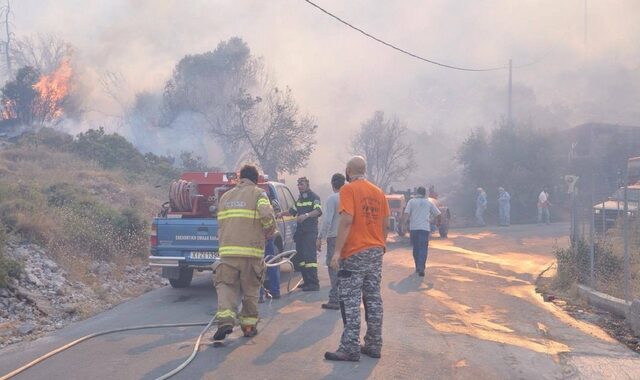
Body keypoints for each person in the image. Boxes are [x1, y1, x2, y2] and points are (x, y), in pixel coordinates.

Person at [324, 156, 390, 362]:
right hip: (375, 251)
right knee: (373, 298)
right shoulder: (378, 192)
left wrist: (336, 252)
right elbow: (385, 222)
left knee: (350, 300)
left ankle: (350, 346)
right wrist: (381, 244)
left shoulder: (348, 189)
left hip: (354, 252)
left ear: (348, 170)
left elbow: (346, 221)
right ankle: (373, 343)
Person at [213, 164, 276, 341]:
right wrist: (269, 230)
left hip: (227, 252)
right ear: (255, 179)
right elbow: (266, 216)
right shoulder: (258, 194)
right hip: (251, 252)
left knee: (226, 287)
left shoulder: (225, 197)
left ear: (240, 179)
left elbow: (220, 224)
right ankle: (248, 326)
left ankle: (225, 320)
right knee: (250, 291)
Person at [277, 177, 322, 291]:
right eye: (298, 185)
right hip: (300, 233)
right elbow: (292, 211)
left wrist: (306, 215)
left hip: (310, 232)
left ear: (307, 184)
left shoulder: (314, 197)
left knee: (309, 258)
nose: (299, 186)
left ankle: (313, 283)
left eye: (301, 184)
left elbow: (318, 211)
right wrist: (281, 213)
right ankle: (306, 281)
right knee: (300, 258)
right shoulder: (300, 200)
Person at [317, 173, 346, 310]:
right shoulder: (349, 197)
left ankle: (335, 299)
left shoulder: (332, 199)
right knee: (345, 268)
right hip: (349, 238)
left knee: (333, 267)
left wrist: (320, 237)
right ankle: (345, 297)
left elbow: (327, 220)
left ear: (332, 184)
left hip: (334, 237)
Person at [402, 186, 441, 277]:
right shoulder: (428, 202)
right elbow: (438, 214)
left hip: (414, 228)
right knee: (423, 248)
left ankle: (417, 267)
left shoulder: (411, 202)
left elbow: (406, 214)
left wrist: (403, 226)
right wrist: (438, 223)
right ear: (424, 193)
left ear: (416, 193)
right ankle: (421, 266)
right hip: (424, 228)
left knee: (416, 247)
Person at [259, 236, 280, 303]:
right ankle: (275, 292)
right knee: (271, 265)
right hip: (268, 237)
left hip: (257, 239)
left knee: (257, 267)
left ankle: (260, 295)